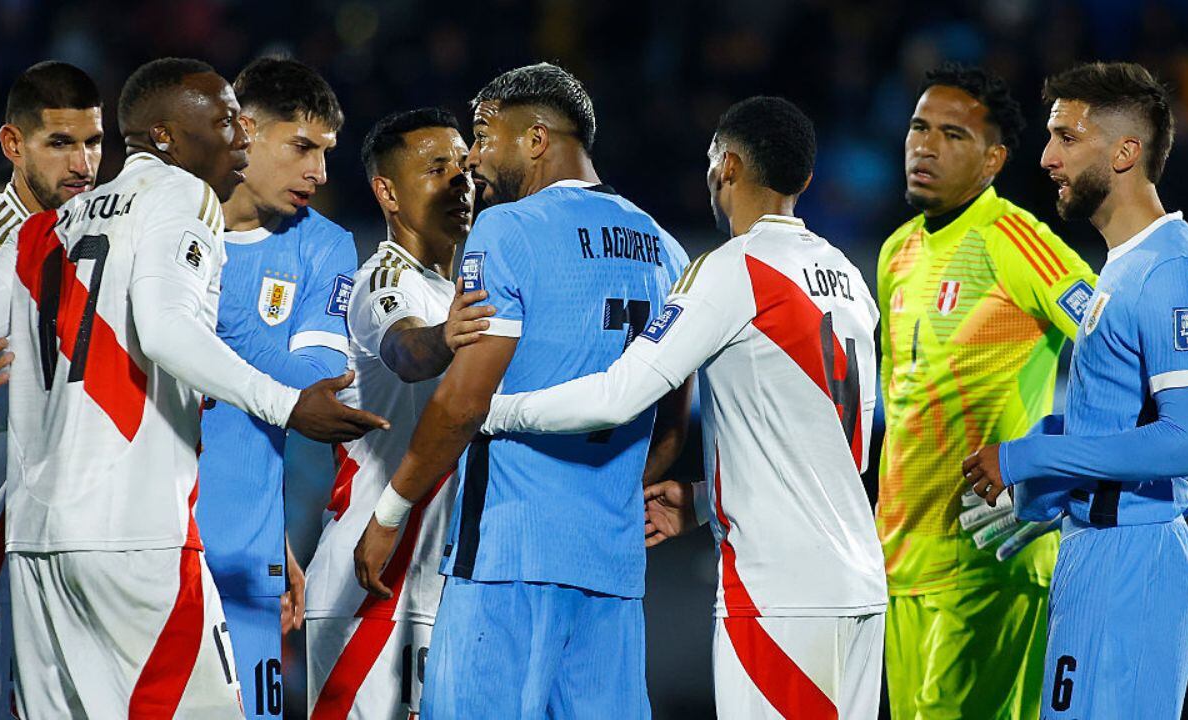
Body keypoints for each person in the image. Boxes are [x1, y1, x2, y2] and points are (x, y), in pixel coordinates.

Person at [0, 57, 386, 718]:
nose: (239, 140)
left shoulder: (52, 225)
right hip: (136, 538)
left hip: (36, 544)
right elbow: (165, 329)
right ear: (166, 137)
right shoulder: (180, 195)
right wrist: (286, 403)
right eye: (224, 123)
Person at [477, 95, 888, 718]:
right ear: (803, 180)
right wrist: (701, 500)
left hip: (779, 589)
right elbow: (832, 443)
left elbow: (618, 394)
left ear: (725, 166)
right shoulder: (849, 277)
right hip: (858, 579)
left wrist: (497, 410)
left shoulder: (735, 271)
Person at [352, 62, 689, 719]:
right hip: (613, 568)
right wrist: (608, 493)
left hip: (507, 557)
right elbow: (672, 422)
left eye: (482, 135)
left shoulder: (506, 230)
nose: (472, 158)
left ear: (536, 139)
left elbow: (462, 403)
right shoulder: (667, 250)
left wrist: (389, 514)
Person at [966, 61, 1188, 720]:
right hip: (1099, 552)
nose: (1049, 157)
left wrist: (1027, 461)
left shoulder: (1173, 272)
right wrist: (1048, 490)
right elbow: (1115, 415)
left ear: (1125, 152)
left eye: (1067, 137)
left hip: (1135, 564)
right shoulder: (1123, 267)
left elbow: (1185, 440)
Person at [877, 63, 1096, 720]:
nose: (925, 145)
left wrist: (1054, 472)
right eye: (919, 127)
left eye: (952, 134)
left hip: (986, 563)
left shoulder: (1015, 240)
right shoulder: (896, 254)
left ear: (994, 158)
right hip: (902, 565)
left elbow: (1120, 348)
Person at [306, 107, 488, 720]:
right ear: (387, 191)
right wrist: (448, 338)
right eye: (437, 169)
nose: (459, 184)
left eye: (463, 168)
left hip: (440, 580)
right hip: (369, 580)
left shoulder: (462, 287)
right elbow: (408, 352)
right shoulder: (381, 281)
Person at [193, 56, 355, 719]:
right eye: (302, 147)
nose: (318, 171)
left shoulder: (324, 247)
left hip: (244, 560)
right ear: (247, 130)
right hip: (139, 547)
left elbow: (318, 381)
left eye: (326, 152)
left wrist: (201, 329)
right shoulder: (164, 226)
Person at [0, 59, 103, 720]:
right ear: (14, 146)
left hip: (56, 537)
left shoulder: (93, 242)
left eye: (94, 142)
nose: (83, 164)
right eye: (60, 143)